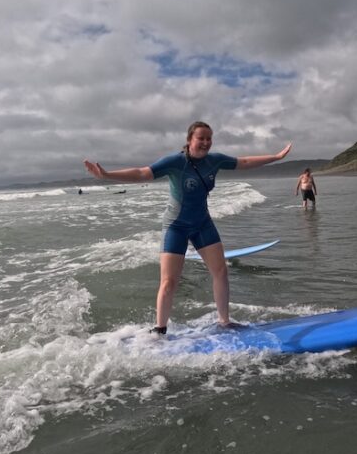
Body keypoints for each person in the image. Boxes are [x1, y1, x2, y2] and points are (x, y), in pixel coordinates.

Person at [84, 121, 292, 333]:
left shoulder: (215, 160)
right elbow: (141, 173)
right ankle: (160, 330)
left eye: (209, 138)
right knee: (169, 282)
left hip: (202, 223)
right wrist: (107, 175)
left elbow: (245, 162)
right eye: (201, 138)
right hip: (176, 226)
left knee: (220, 271)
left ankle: (224, 321)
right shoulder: (175, 162)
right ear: (190, 139)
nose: (206, 142)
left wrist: (275, 157)